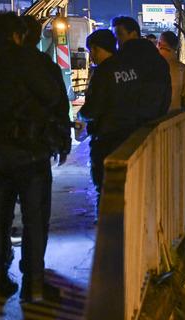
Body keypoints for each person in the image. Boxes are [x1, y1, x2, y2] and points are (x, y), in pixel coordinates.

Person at [0, 12, 70, 301]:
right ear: (18, 34)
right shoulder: (28, 60)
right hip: (29, 152)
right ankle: (34, 284)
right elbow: (53, 97)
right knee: (35, 218)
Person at [79, 29, 140, 203]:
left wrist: (82, 116)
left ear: (97, 49)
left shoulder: (102, 73)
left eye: (92, 51)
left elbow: (93, 108)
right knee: (127, 186)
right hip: (131, 134)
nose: (91, 56)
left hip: (107, 138)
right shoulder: (129, 68)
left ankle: (107, 225)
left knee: (105, 187)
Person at [110, 17, 171, 123]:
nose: (117, 41)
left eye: (120, 35)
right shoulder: (158, 59)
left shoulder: (123, 62)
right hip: (154, 125)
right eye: (115, 36)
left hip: (127, 127)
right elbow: (166, 96)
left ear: (133, 34)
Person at [156, 31, 185, 113]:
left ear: (159, 44)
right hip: (173, 120)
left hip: (149, 122)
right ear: (176, 47)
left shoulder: (148, 66)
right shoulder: (183, 70)